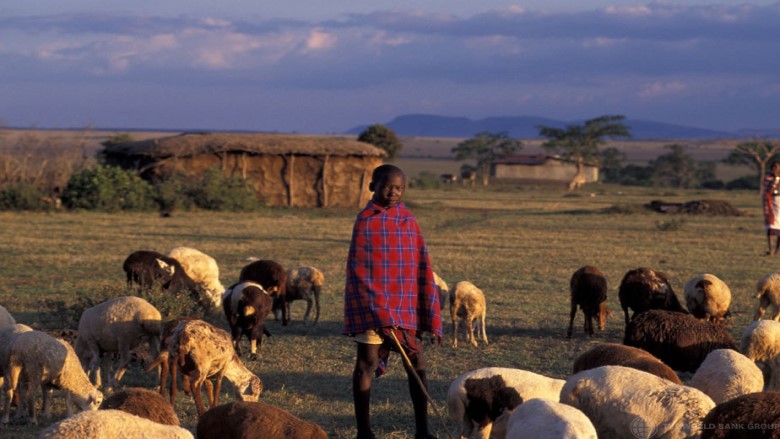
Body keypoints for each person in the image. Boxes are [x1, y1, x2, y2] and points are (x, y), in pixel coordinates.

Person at [343, 164, 442, 439]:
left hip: (405, 308)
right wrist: (379, 309)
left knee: (417, 363)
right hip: (372, 309)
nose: (393, 193)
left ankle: (423, 431)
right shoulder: (365, 221)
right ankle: (364, 432)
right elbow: (359, 270)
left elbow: (417, 265)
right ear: (373, 186)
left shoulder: (408, 220)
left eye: (399, 188)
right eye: (387, 186)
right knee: (366, 363)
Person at [765, 161, 780, 255]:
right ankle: (770, 250)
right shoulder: (768, 178)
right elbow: (769, 190)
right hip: (772, 202)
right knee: (770, 226)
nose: (775, 169)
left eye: (777, 167)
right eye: (773, 167)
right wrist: (775, 180)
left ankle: (777, 251)